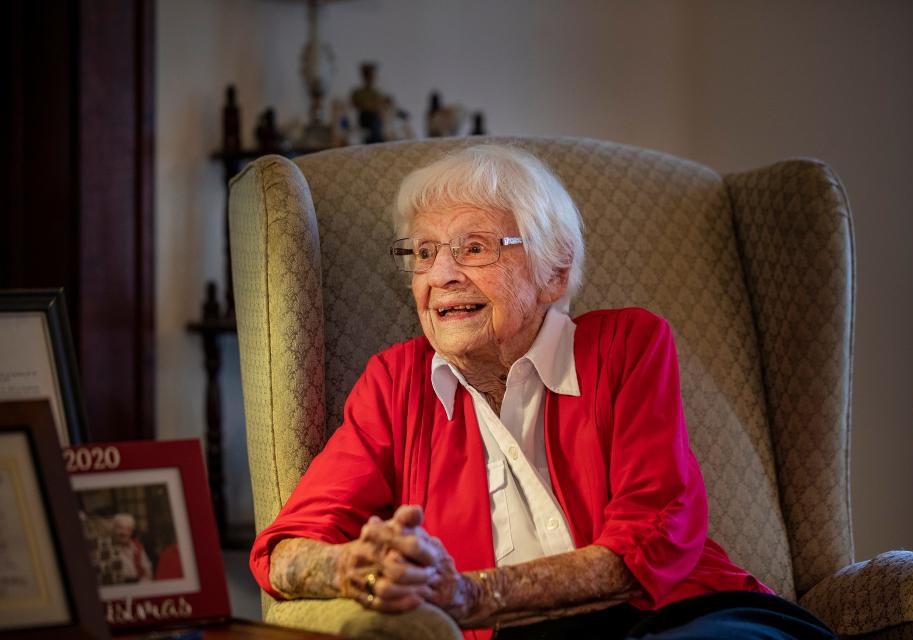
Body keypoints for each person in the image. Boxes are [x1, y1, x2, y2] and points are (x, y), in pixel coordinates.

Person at [249, 145, 835, 639]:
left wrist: (476, 593)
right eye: (423, 253)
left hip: (685, 617)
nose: (441, 275)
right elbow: (283, 550)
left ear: (554, 271)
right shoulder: (394, 383)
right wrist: (355, 567)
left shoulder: (627, 345)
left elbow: (656, 532)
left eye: (474, 248)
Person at [107, 512, 153, 583]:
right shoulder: (107, 548)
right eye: (120, 528)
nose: (124, 532)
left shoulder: (137, 547)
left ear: (132, 532)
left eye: (128, 529)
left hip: (137, 585)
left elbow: (147, 571)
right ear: (114, 529)